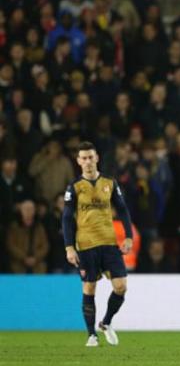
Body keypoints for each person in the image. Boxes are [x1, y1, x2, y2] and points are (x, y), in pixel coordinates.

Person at [62, 141, 133, 347]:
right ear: (78, 162)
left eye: (91, 157)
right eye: (83, 158)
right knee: (89, 288)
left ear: (97, 158)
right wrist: (69, 247)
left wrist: (128, 236)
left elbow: (123, 209)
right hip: (85, 245)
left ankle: (106, 322)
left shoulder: (110, 183)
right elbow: (67, 217)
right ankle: (91, 334)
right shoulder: (74, 187)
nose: (88, 162)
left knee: (121, 287)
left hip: (109, 243)